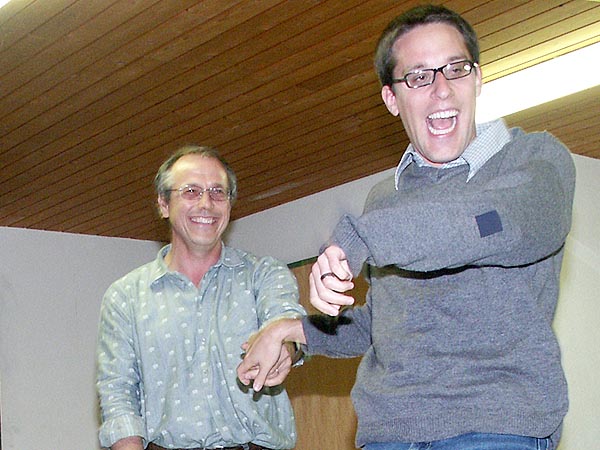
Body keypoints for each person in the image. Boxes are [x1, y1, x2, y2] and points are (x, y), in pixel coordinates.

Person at [237, 4, 575, 450]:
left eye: (455, 69)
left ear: (477, 78)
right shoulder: (385, 200)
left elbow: (497, 224)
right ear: (392, 99)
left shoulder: (533, 162)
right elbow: (384, 324)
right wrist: (291, 331)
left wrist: (361, 237)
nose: (441, 89)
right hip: (388, 433)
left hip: (495, 426)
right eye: (419, 76)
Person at [96, 145, 306, 450]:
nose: (206, 203)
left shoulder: (264, 274)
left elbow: (289, 325)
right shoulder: (125, 297)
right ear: (163, 204)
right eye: (191, 191)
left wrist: (286, 348)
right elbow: (118, 395)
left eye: (218, 192)